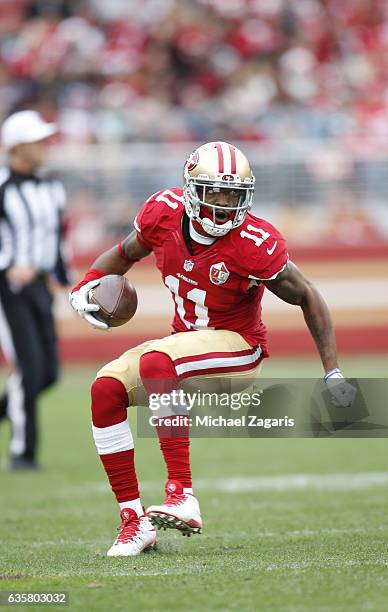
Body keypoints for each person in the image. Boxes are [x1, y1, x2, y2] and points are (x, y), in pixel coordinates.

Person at [70, 141, 356, 556]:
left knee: (157, 360)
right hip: (182, 346)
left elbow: (308, 294)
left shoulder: (253, 242)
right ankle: (134, 521)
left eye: (232, 195)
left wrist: (332, 372)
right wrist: (84, 287)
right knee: (105, 390)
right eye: (213, 192)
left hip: (239, 350)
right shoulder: (162, 214)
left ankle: (181, 493)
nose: (222, 205)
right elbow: (124, 252)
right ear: (189, 188)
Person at [0, 110, 70, 470]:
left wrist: (64, 279)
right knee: (27, 370)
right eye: (37, 140)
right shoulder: (1, 186)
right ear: (17, 146)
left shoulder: (52, 186)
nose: (45, 146)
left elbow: (58, 237)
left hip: (41, 285)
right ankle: (23, 454)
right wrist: (8, 264)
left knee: (49, 373)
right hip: (8, 289)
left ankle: (10, 414)